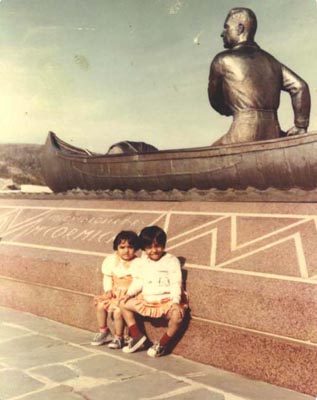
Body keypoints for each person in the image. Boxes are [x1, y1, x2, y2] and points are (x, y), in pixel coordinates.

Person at [208, 7, 311, 145]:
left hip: (242, 132)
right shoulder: (273, 62)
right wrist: (300, 126)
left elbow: (215, 100)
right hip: (273, 133)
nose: (222, 33)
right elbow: (300, 87)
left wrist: (230, 110)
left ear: (240, 28)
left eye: (226, 28)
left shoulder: (222, 60)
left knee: (212, 152)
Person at [120, 225, 188, 357]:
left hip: (166, 301)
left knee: (177, 317)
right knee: (122, 304)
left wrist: (175, 302)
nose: (154, 250)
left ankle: (162, 345)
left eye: (157, 246)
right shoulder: (143, 261)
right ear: (143, 248)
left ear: (163, 245)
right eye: (149, 247)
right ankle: (137, 337)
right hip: (147, 300)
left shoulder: (171, 260)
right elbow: (139, 280)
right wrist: (129, 293)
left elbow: (176, 282)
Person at [90, 230, 140, 349]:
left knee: (118, 312)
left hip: (129, 295)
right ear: (116, 247)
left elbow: (139, 281)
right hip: (115, 292)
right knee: (100, 305)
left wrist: (129, 293)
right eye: (122, 247)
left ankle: (119, 337)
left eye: (130, 247)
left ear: (136, 248)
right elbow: (108, 276)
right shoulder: (112, 260)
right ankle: (104, 331)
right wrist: (108, 290)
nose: (126, 251)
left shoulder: (138, 263)